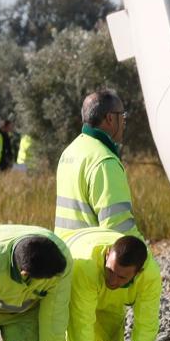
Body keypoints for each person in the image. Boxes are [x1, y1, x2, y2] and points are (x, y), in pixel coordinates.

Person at [54, 91, 139, 237]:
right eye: (122, 116)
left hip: (66, 254)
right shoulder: (105, 162)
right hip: (93, 257)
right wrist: (148, 258)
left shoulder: (68, 153)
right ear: (110, 118)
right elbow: (120, 232)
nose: (124, 123)